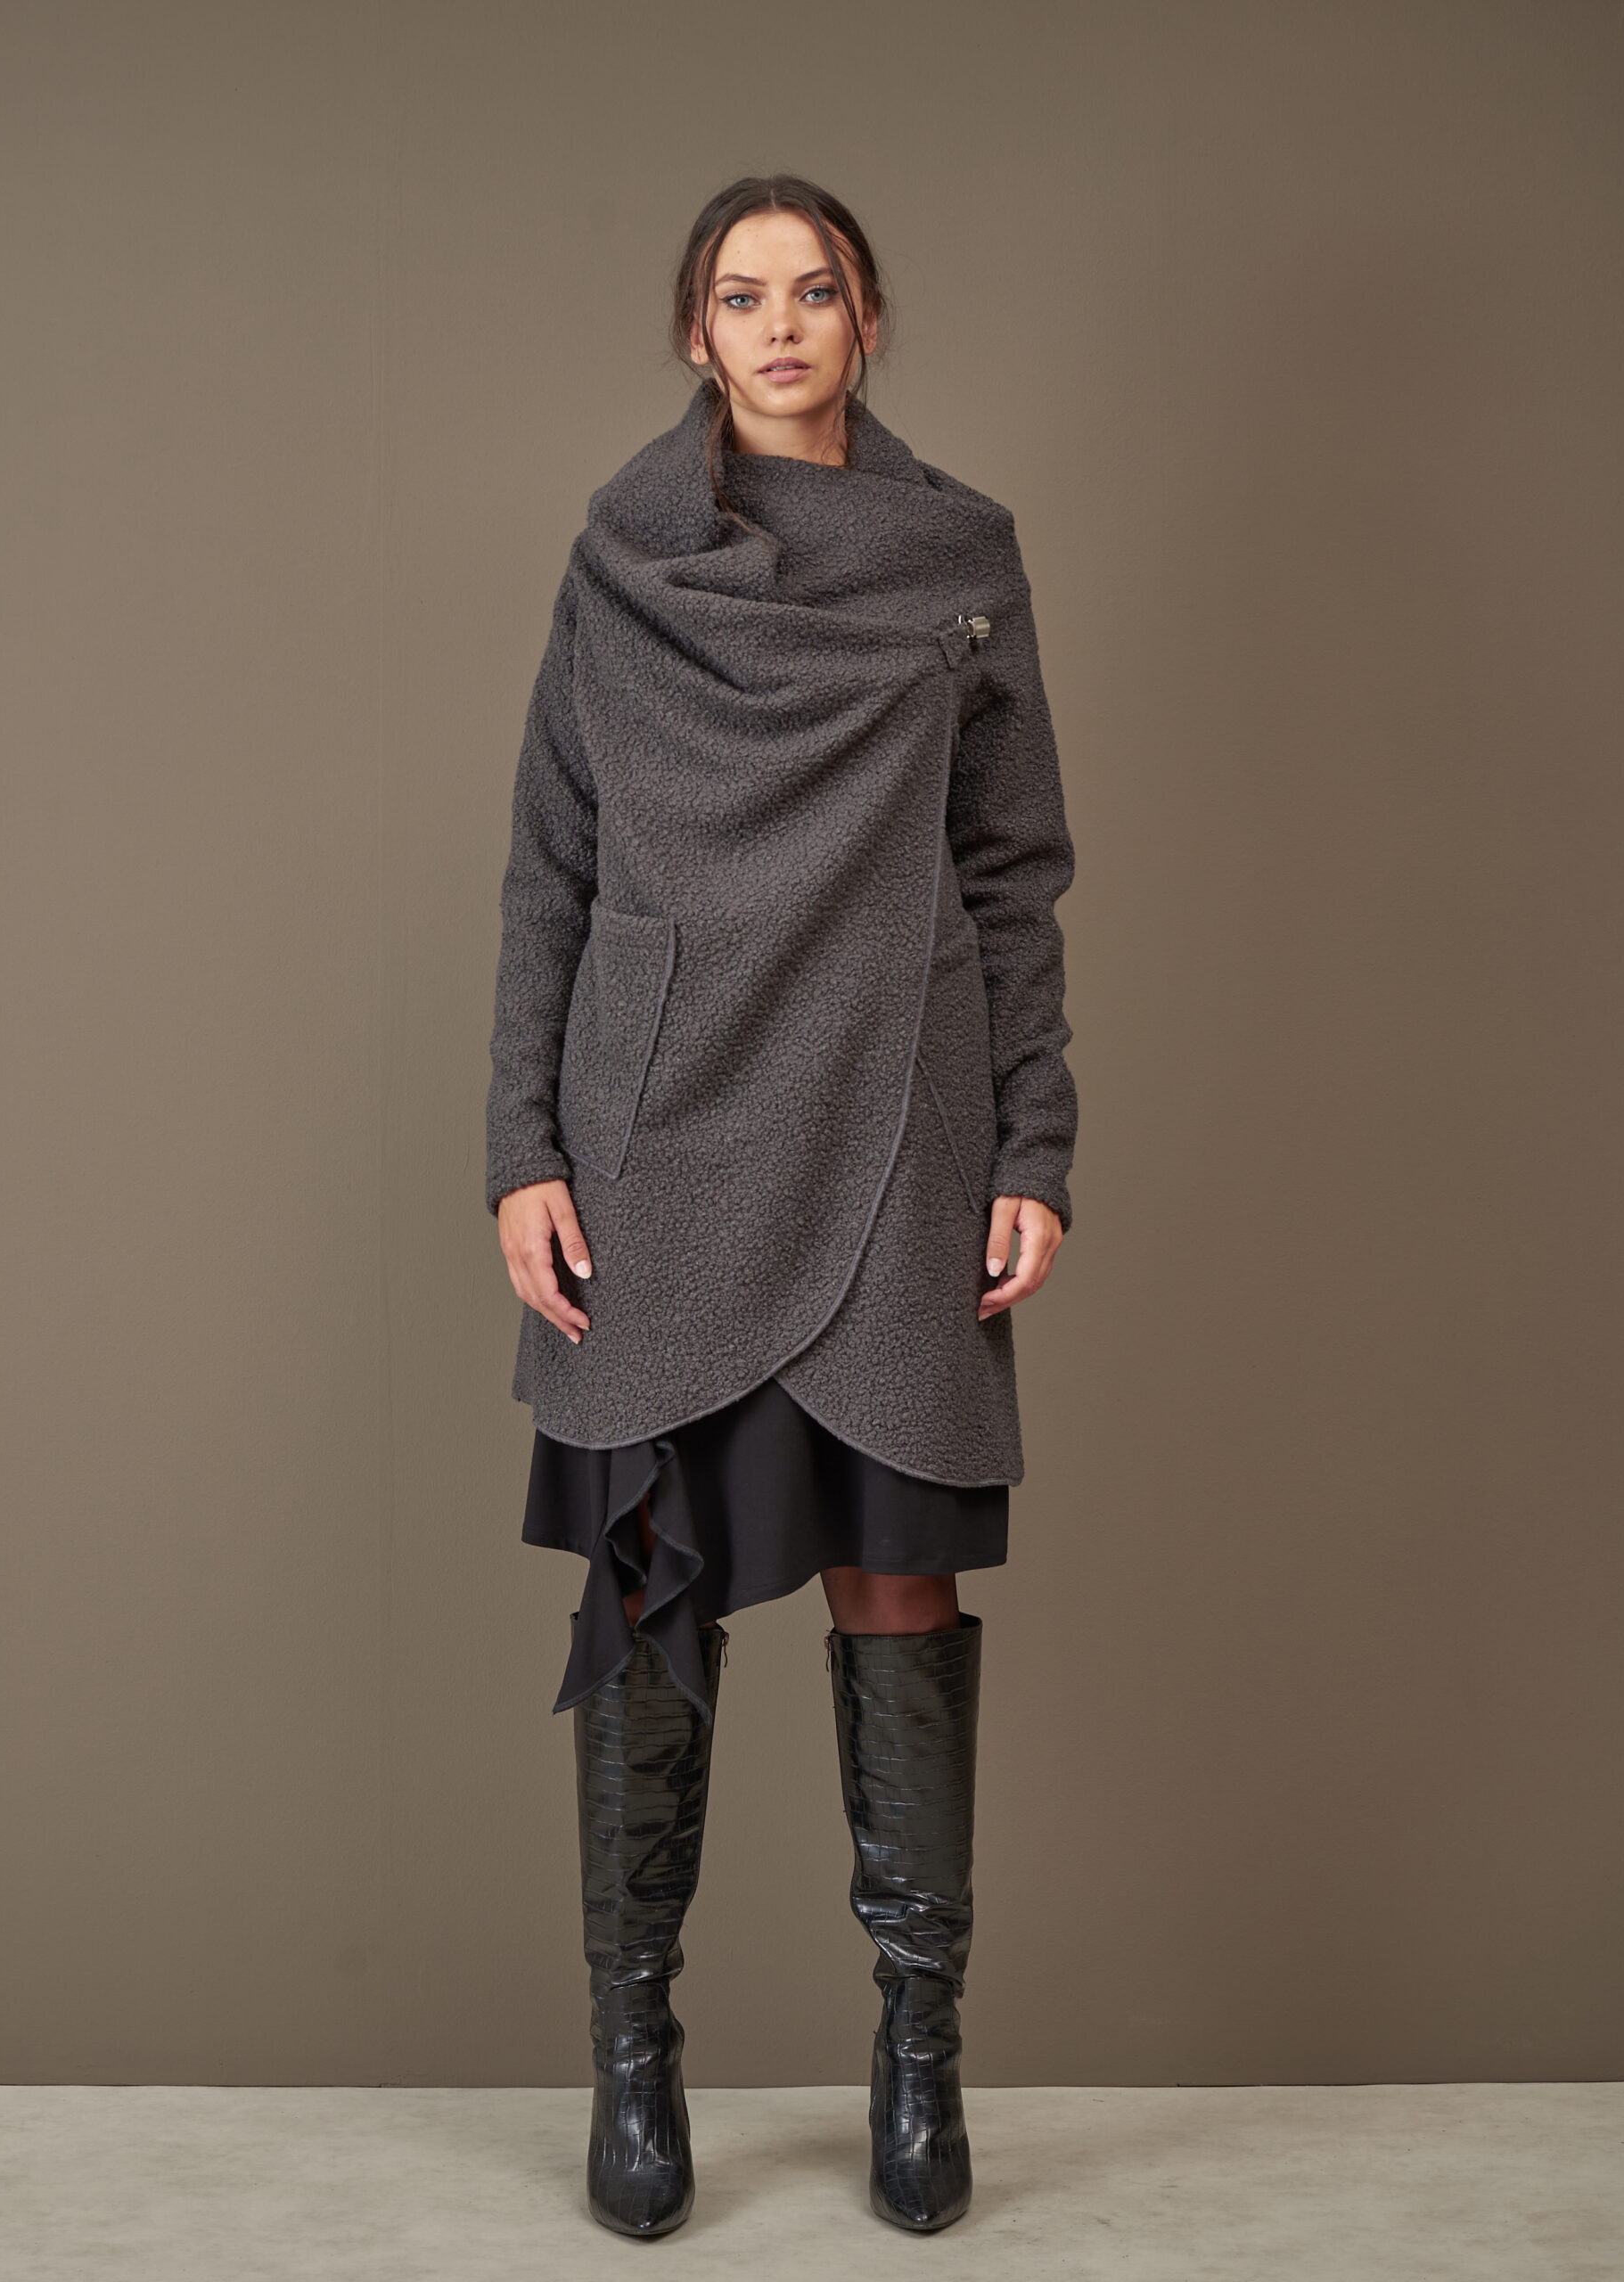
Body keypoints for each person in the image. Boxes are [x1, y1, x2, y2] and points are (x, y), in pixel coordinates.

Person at [485, 173, 1077, 2240]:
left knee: (894, 1577)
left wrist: (1034, 1145)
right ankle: (630, 2061)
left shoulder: (959, 560)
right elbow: (548, 871)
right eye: (740, 295)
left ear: (867, 319)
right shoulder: (621, 561)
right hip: (655, 1129)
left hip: (899, 1112)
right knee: (649, 1579)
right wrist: (520, 1148)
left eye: (814, 290)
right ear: (696, 332)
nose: (780, 323)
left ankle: (919, 2058)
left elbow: (1012, 872)